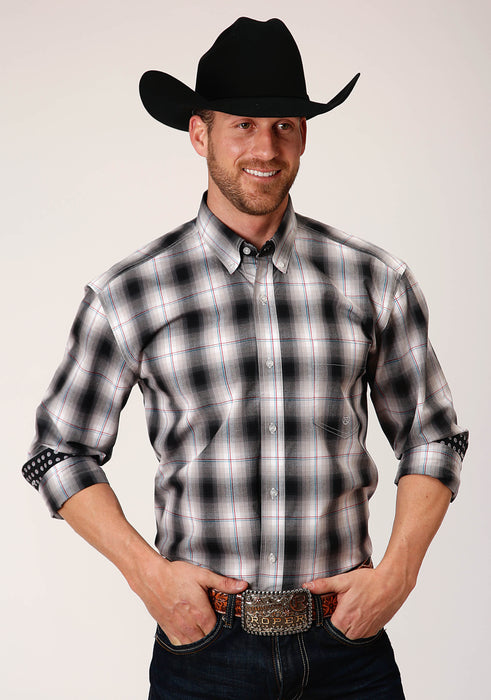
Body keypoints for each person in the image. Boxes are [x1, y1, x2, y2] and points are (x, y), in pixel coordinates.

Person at [23, 17, 468, 699]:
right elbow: (58, 451)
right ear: (199, 133)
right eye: (243, 125)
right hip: (204, 653)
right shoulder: (131, 292)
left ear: (304, 135)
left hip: (348, 649)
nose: (266, 147)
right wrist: (149, 577)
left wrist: (397, 576)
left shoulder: (374, 279)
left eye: (285, 125)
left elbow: (432, 436)